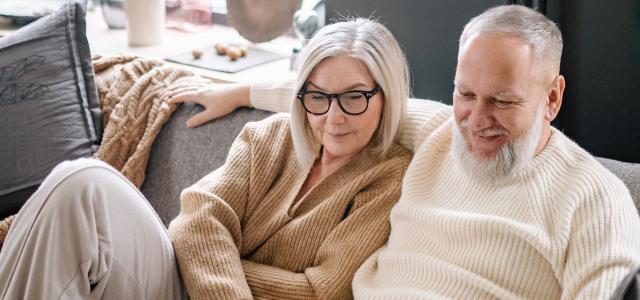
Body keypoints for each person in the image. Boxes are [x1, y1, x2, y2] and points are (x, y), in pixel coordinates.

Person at [183, 5, 640, 299]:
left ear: (552, 99)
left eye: (503, 101)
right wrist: (241, 89)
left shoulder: (596, 198)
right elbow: (337, 97)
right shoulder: (440, 130)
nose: (477, 120)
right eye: (465, 94)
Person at [0, 18, 412, 299]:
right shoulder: (270, 136)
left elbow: (320, 290)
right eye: (318, 97)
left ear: (386, 96)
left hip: (182, 279)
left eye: (355, 97)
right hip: (172, 281)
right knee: (79, 180)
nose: (333, 117)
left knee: (83, 184)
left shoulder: (389, 178)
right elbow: (197, 217)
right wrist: (216, 264)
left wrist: (209, 257)